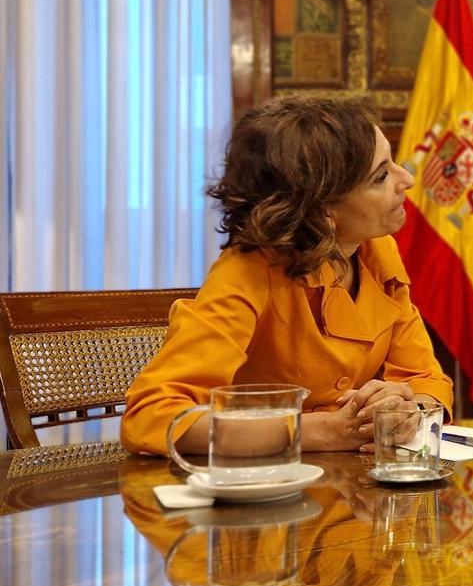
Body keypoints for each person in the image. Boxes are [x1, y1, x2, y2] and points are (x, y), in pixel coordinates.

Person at [121, 96, 453, 456]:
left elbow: (425, 378)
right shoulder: (247, 272)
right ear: (324, 210)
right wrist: (319, 432)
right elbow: (150, 417)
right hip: (250, 495)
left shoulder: (376, 251)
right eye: (381, 176)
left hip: (344, 492)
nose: (407, 179)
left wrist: (406, 410)